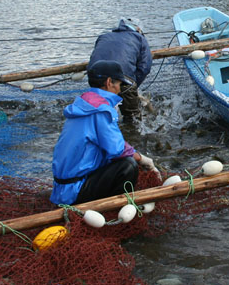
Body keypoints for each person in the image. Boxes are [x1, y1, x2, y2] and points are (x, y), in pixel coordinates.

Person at [50, 60, 158, 206]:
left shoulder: (84, 103)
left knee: (122, 158)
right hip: (75, 192)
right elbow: (117, 149)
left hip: (62, 189)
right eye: (119, 84)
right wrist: (142, 159)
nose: (120, 89)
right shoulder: (100, 110)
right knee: (128, 166)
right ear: (109, 82)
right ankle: (114, 210)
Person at [88, 18, 152, 119]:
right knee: (133, 119)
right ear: (138, 29)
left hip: (96, 78)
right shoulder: (140, 38)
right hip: (122, 78)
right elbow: (145, 67)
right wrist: (133, 86)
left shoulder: (103, 36)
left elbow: (93, 58)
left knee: (99, 115)